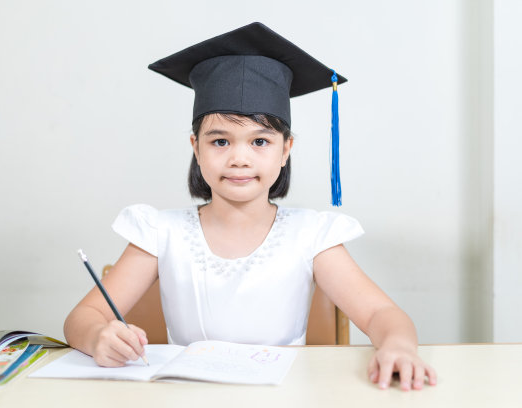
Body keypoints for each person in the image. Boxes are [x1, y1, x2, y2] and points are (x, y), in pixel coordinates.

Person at [64, 22, 437, 391]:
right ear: (195, 147)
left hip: (286, 395)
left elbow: (381, 314)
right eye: (220, 142)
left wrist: (398, 346)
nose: (239, 158)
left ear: (286, 149)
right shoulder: (161, 233)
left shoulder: (310, 236)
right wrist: (99, 336)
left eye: (260, 142)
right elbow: (83, 317)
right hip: (185, 396)